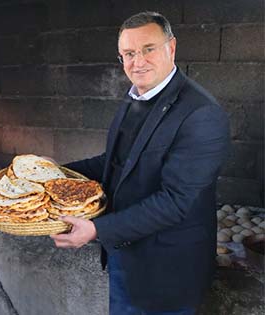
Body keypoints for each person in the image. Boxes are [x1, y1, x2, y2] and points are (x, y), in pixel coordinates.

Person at [50, 11, 230, 315]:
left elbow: (175, 202)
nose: (138, 61)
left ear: (171, 48)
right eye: (129, 54)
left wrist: (96, 230)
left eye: (149, 49)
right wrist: (51, 173)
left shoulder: (201, 114)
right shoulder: (138, 96)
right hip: (126, 256)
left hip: (166, 275)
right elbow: (114, 164)